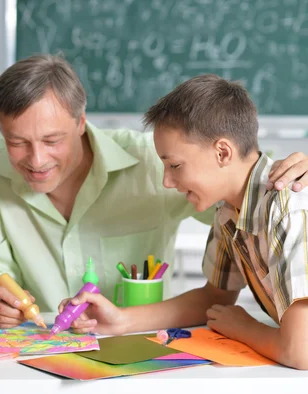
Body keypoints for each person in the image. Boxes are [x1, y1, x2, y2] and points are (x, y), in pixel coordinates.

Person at [0, 54, 308, 329]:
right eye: (17, 142)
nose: (37, 159)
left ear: (80, 122)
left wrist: (297, 175)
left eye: (51, 140)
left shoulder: (155, 162)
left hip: (144, 353)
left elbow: (242, 182)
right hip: (40, 349)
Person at [61, 74, 308, 370]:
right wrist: (121, 319)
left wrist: (245, 328)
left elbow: (300, 351)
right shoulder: (229, 210)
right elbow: (213, 298)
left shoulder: (287, 206)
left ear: (222, 152)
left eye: (175, 165)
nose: (167, 181)